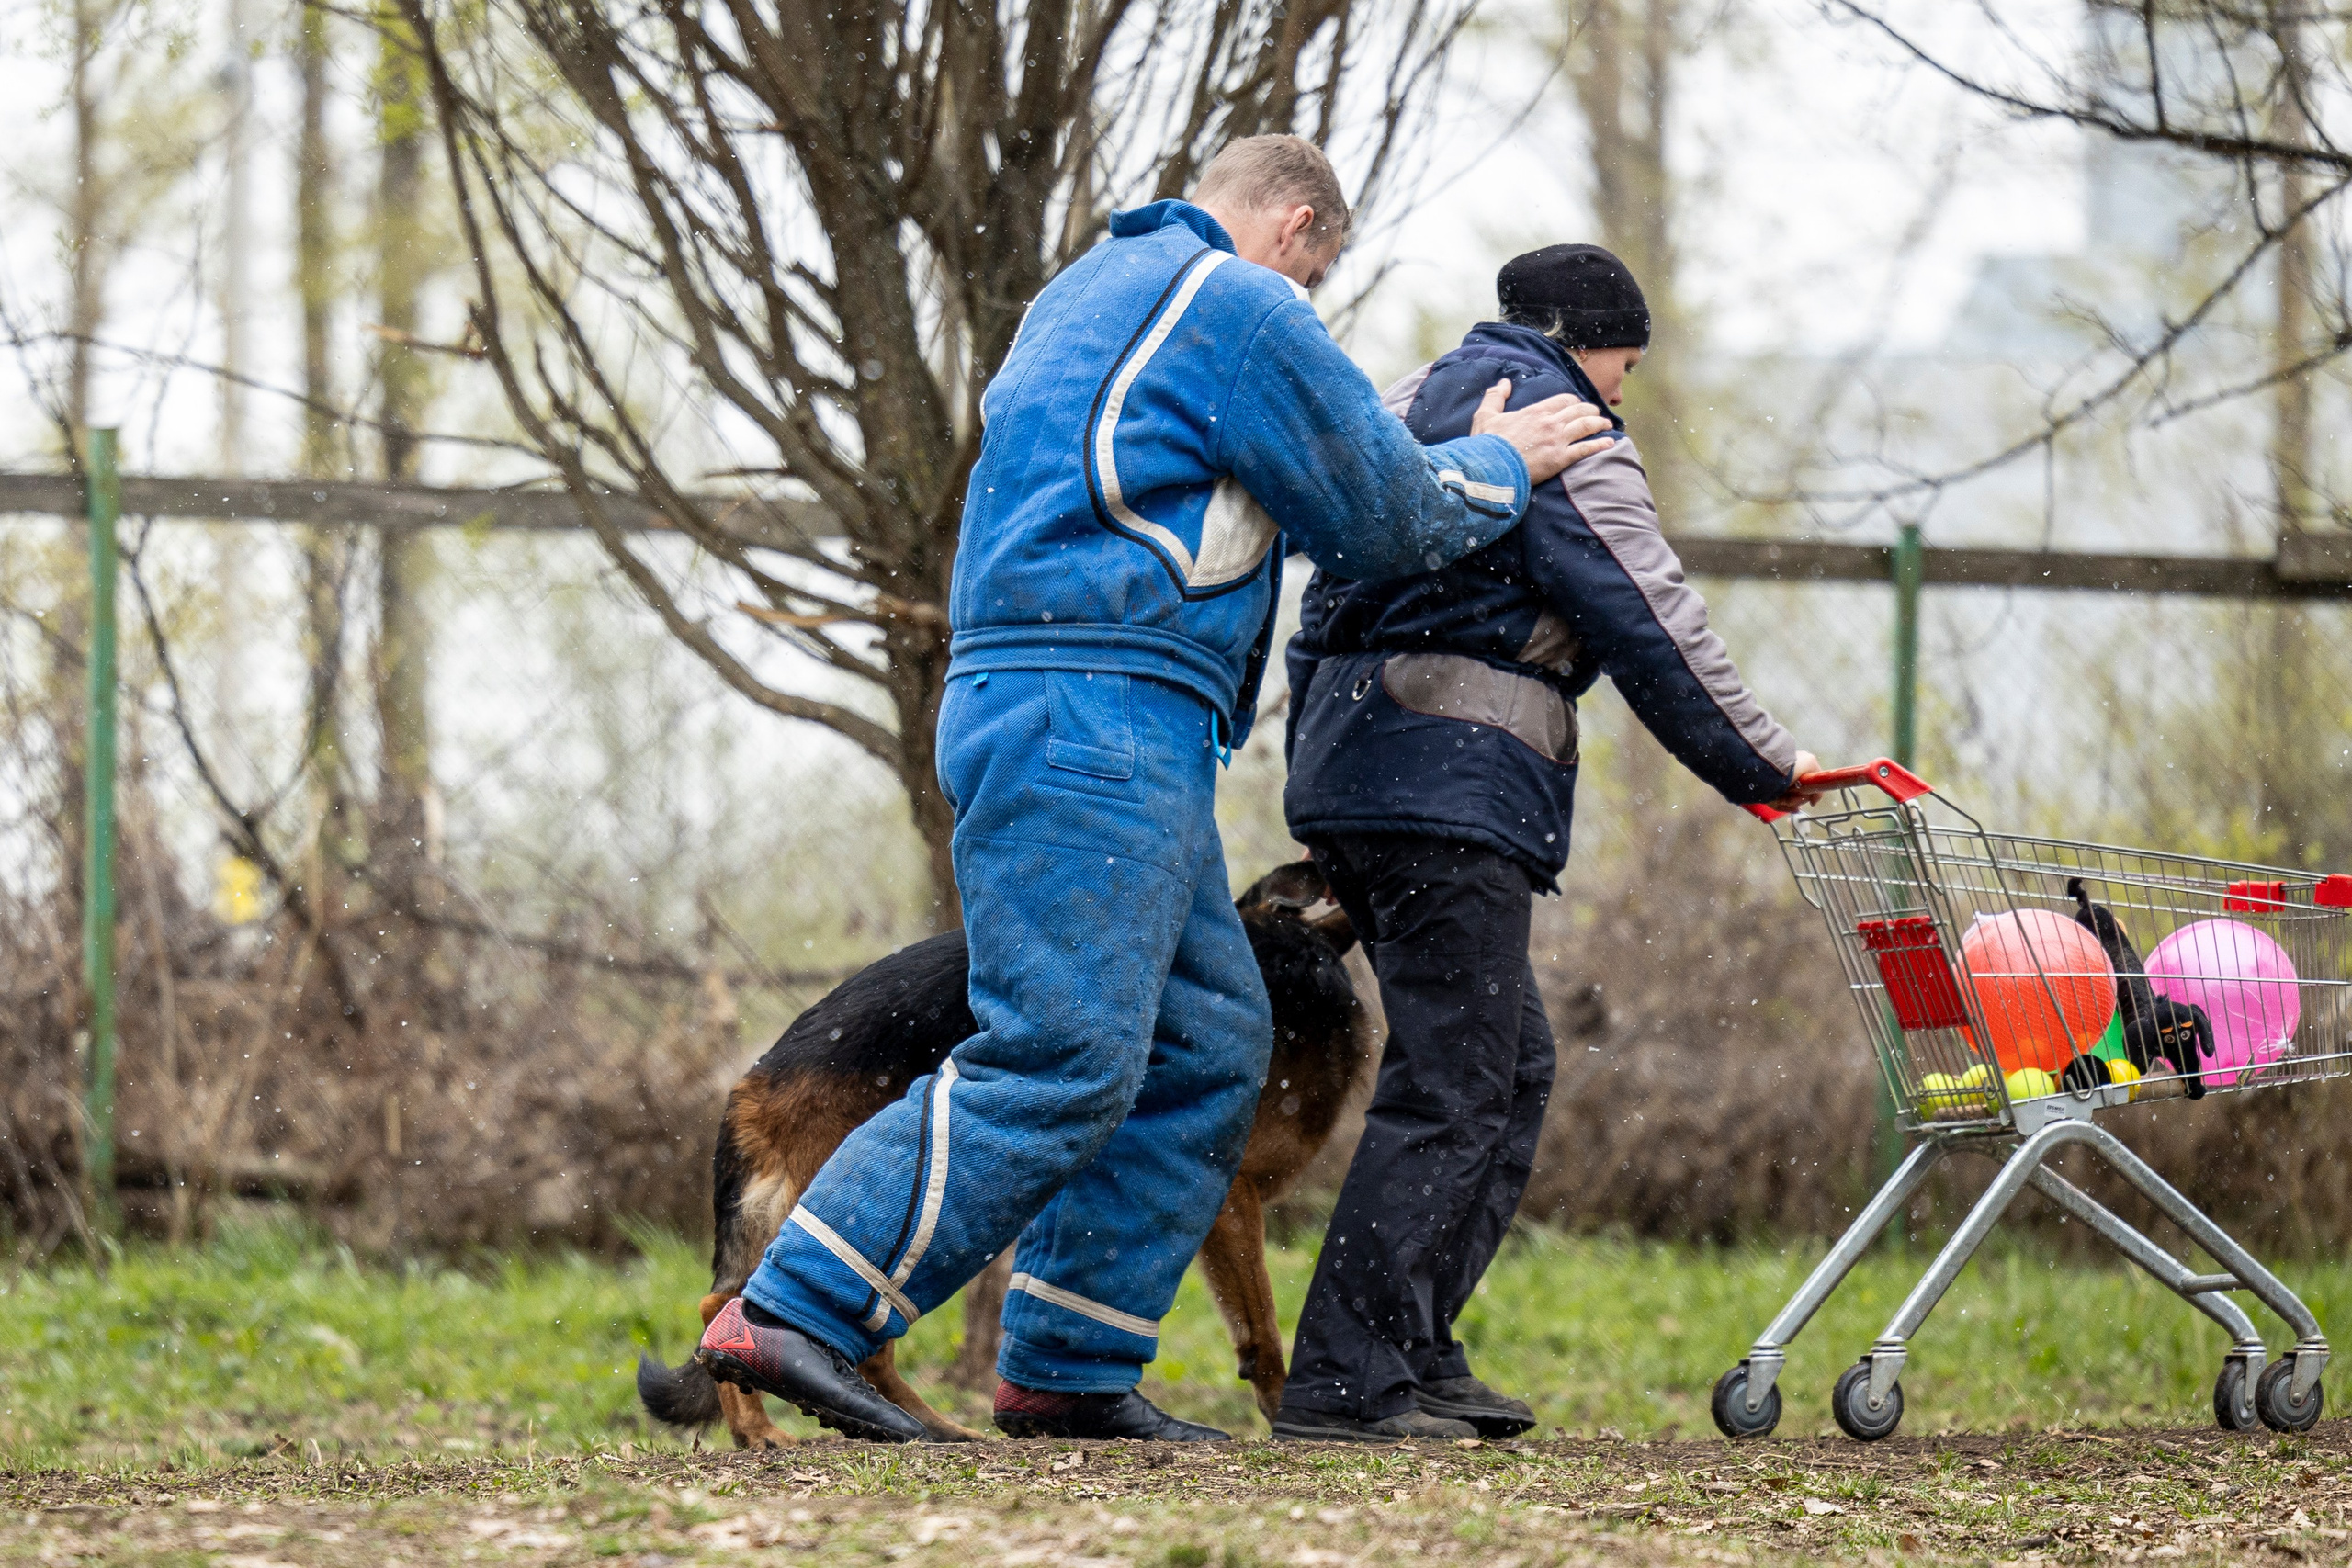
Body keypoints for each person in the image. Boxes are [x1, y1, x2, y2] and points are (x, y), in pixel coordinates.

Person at [695, 139, 1617, 1444]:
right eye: (1321, 269)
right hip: (1098, 711)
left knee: (1206, 1040)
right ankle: (797, 1312)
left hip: (1083, 712)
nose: (1314, 301)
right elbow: (1382, 511)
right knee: (1060, 1046)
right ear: (1296, 226)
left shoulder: (1083, 294)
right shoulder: (1235, 304)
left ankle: (1069, 1365)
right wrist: (1508, 456)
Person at [1272, 243, 1822, 1443]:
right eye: (1629, 353)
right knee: (1456, 1078)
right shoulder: (1561, 427)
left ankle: (1412, 1349)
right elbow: (1651, 616)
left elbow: (1318, 614)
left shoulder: (1408, 409)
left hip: (1367, 778)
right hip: (1448, 784)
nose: (1629, 380)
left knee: (1505, 1062)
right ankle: (1347, 1383)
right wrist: (1767, 766)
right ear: (1593, 338)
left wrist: (1319, 783)